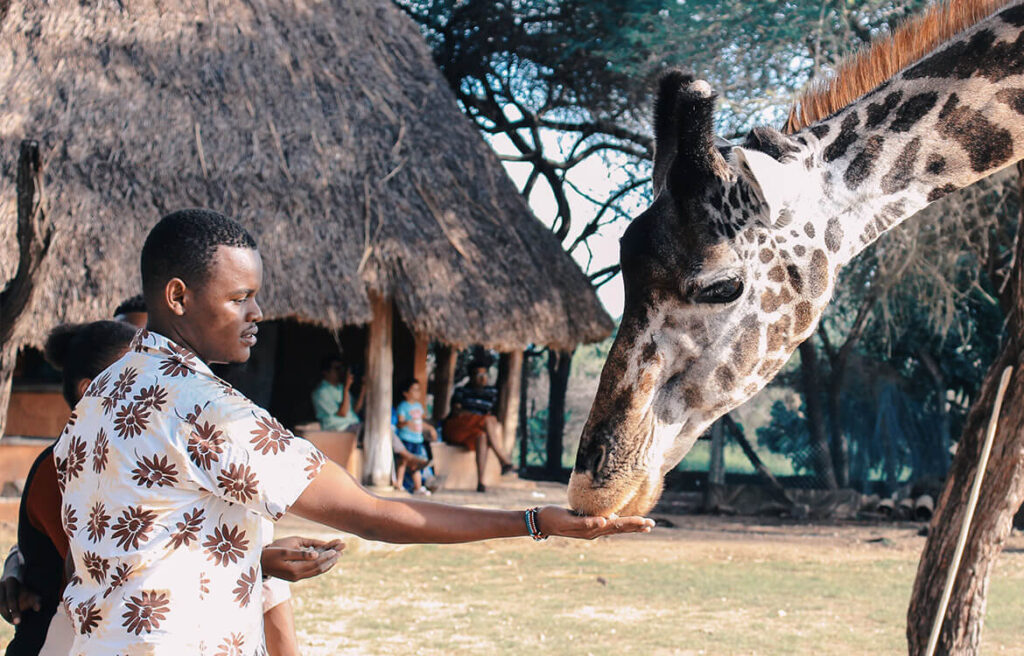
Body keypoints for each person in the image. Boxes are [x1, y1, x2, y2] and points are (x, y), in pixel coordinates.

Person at [51, 208, 652, 654]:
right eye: (240, 298)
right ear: (178, 297)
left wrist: (253, 558)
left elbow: (141, 544)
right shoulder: (203, 407)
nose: (257, 313)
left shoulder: (104, 394)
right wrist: (534, 521)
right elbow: (371, 515)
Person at [1, 320, 341, 656]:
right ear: (90, 390)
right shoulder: (70, 465)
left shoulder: (155, 456)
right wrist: (259, 561)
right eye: (133, 375)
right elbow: (110, 570)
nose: (154, 382)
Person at [442, 360, 516, 492]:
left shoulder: (491, 393)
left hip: (475, 430)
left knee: (482, 436)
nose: (482, 378)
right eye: (478, 375)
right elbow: (457, 413)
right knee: (488, 420)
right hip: (458, 428)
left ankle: (481, 481)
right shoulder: (461, 391)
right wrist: (478, 417)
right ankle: (502, 459)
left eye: (485, 375)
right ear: (471, 376)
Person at [394, 378, 436, 495]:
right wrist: (407, 423)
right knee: (403, 461)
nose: (418, 392)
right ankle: (399, 484)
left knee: (416, 464)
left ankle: (418, 487)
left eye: (418, 389)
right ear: (406, 393)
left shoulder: (419, 406)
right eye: (414, 389)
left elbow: (420, 422)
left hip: (417, 439)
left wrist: (430, 428)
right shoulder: (403, 406)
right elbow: (399, 423)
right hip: (406, 438)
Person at [311, 355, 364, 434]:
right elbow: (342, 413)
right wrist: (346, 389)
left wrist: (364, 387)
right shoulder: (321, 392)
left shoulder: (340, 388)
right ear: (325, 372)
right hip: (340, 428)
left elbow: (355, 410)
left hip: (353, 425)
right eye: (337, 369)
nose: (341, 372)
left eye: (342, 368)